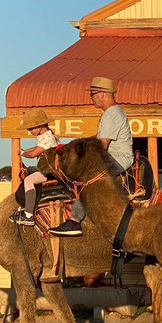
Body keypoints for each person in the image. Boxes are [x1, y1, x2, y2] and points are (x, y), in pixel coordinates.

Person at [50, 77, 133, 237]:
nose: (92, 98)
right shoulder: (112, 113)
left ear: (102, 94)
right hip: (114, 156)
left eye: (92, 94)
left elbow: (102, 145)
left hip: (117, 158)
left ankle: (74, 220)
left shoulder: (111, 114)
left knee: (89, 179)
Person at [9, 108, 61, 226]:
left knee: (29, 180)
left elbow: (33, 154)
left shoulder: (47, 138)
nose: (29, 131)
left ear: (39, 126)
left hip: (49, 171)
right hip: (46, 169)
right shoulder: (44, 136)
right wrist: (22, 151)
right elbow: (35, 149)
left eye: (30, 128)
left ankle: (28, 215)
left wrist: (22, 153)